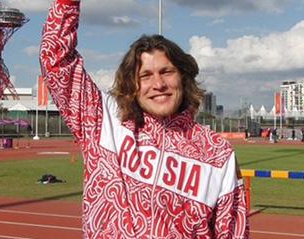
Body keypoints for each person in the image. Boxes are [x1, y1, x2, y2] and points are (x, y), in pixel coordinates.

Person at [40, 0, 249, 238]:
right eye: (145, 75)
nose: (158, 84)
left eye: (167, 72)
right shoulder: (104, 121)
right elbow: (56, 61)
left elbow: (233, 232)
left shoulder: (217, 153)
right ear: (133, 84)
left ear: (183, 76)